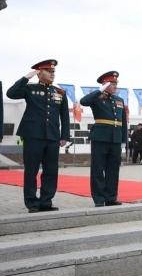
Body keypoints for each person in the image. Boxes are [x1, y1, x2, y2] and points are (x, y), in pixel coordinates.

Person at [6, 60, 71, 212]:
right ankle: (32, 203)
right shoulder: (29, 89)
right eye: (49, 71)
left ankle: (46, 201)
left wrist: (64, 136)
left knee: (51, 170)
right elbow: (11, 93)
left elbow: (64, 117)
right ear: (39, 73)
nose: (52, 74)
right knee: (31, 170)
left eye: (53, 72)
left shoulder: (60, 92)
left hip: (52, 136)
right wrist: (25, 78)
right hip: (33, 135)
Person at [79, 71, 127, 206]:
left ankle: (111, 197)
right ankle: (99, 198)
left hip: (115, 138)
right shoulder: (97, 97)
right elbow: (84, 101)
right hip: (100, 137)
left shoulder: (119, 100)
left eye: (116, 83)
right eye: (112, 83)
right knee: (98, 169)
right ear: (105, 84)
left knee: (113, 169)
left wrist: (124, 139)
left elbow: (123, 121)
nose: (115, 86)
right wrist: (99, 90)